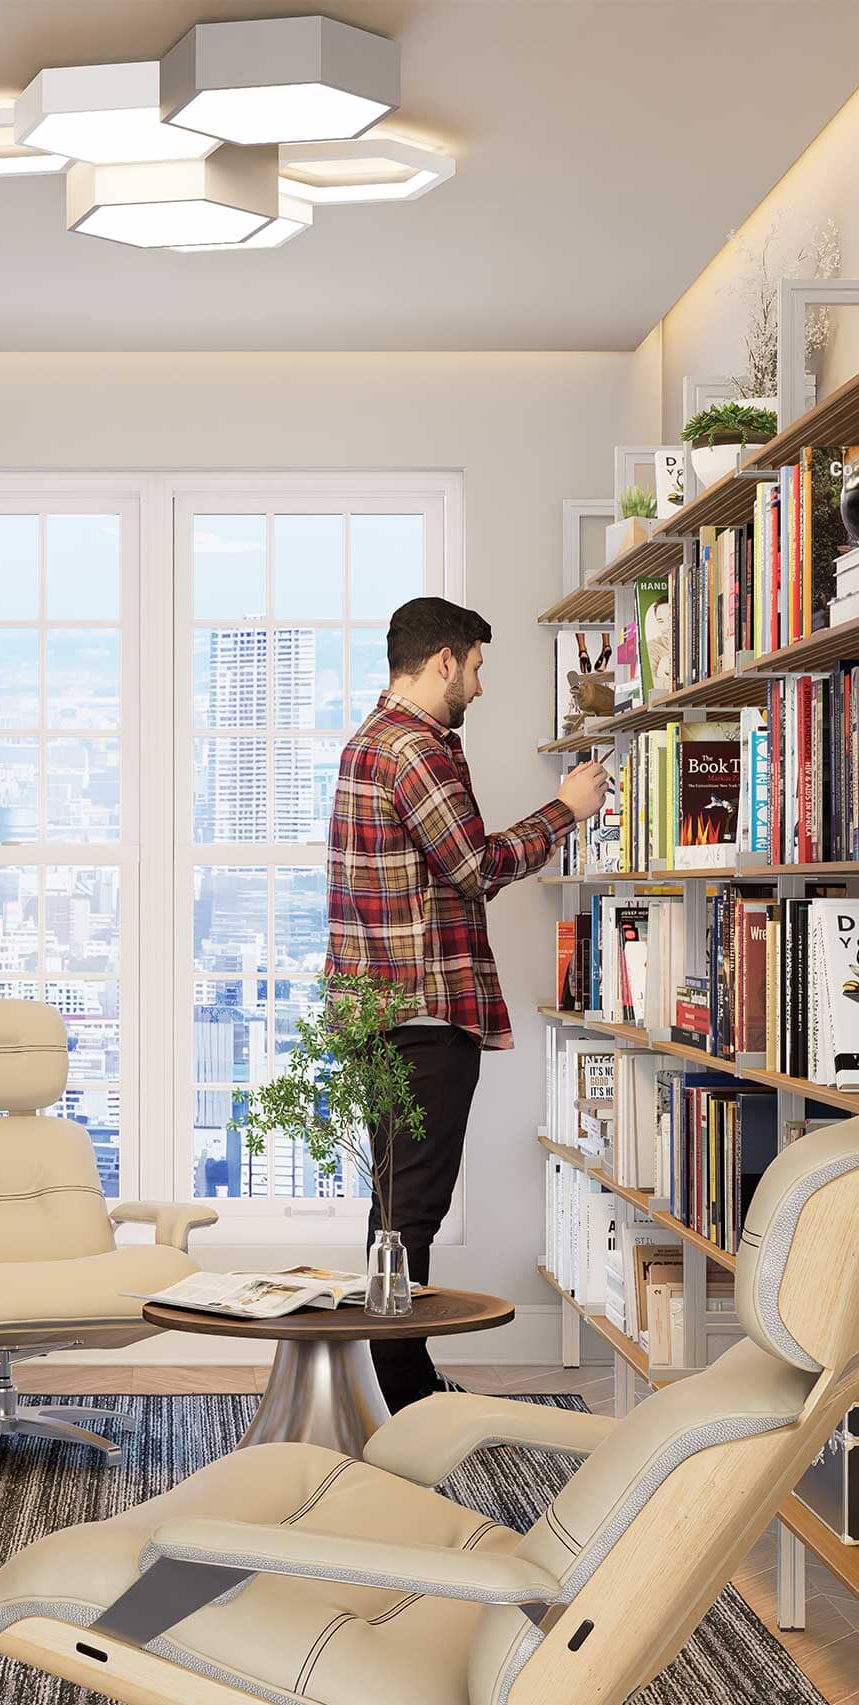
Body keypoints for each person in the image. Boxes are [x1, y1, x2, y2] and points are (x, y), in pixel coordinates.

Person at [326, 595, 609, 1411]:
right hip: (421, 1008)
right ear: (444, 660)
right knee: (411, 1208)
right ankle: (402, 1394)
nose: (481, 687)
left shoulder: (372, 743)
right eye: (478, 667)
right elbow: (475, 865)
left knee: (395, 1205)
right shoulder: (415, 750)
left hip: (381, 1008)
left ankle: (397, 1377)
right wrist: (568, 809)